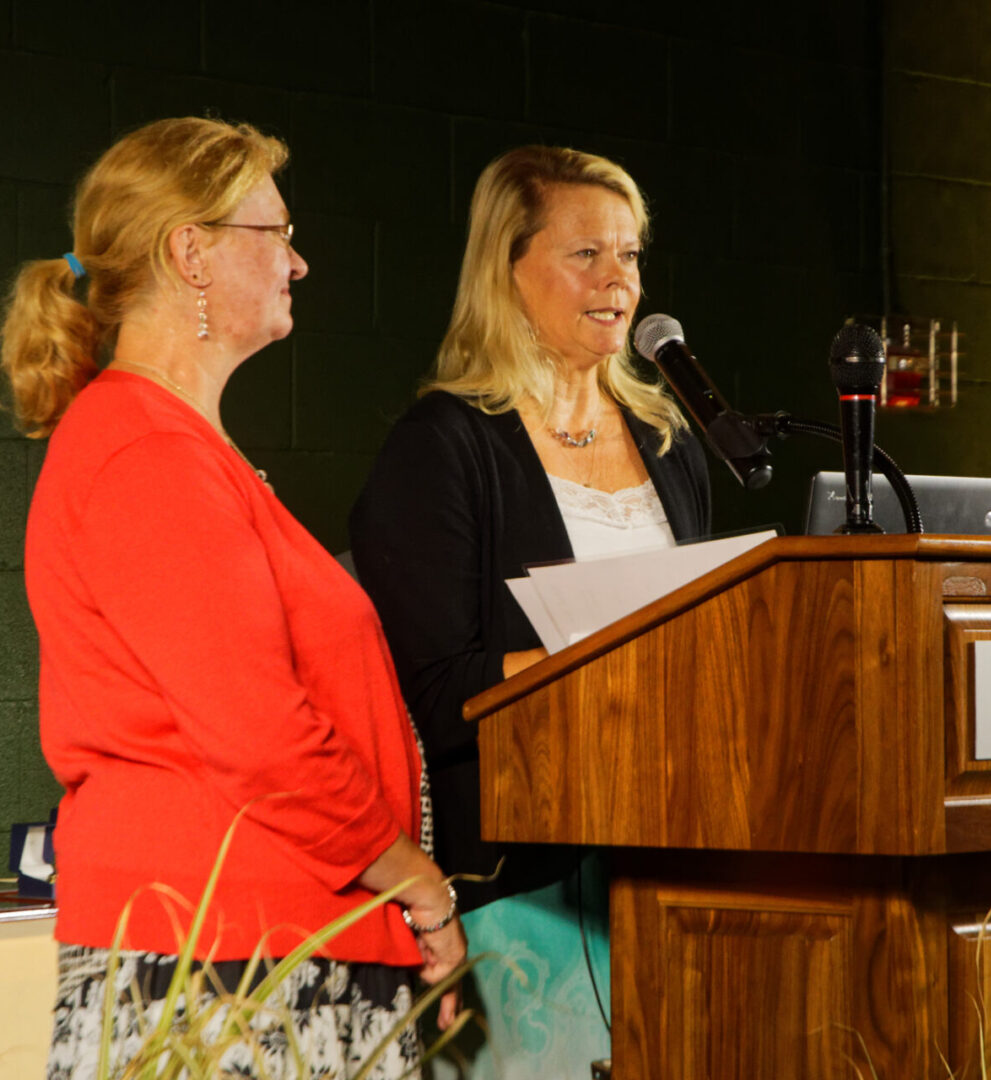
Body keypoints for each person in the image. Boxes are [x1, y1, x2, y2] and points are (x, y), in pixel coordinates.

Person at [0, 116, 465, 1079]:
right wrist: (416, 881)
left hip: (264, 943)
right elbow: (259, 733)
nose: (297, 263)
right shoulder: (146, 451)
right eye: (278, 234)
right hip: (228, 960)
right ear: (191, 252)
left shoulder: (177, 446)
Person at [349, 146, 711, 1077]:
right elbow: (432, 690)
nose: (618, 281)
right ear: (506, 271)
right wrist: (606, 678)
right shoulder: (444, 447)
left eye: (630, 256)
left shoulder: (673, 442)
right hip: (522, 880)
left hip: (671, 859)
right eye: (586, 254)